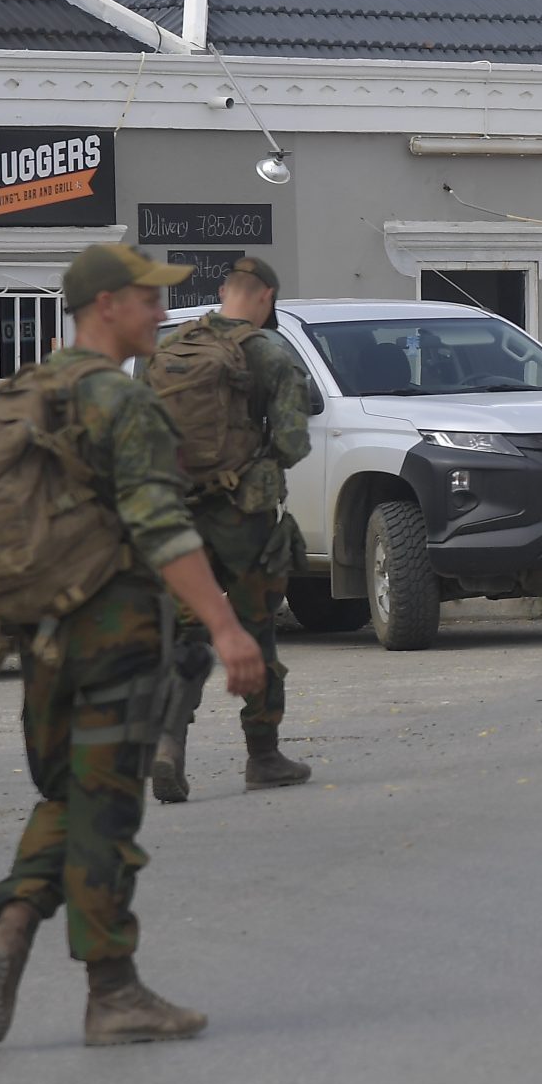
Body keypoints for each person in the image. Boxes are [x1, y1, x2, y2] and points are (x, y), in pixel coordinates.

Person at [0, 244, 266, 1047]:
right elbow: (162, 527)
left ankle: (14, 926)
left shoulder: (33, 390)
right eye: (144, 299)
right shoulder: (120, 406)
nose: (161, 313)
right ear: (104, 306)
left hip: (42, 631)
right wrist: (227, 627)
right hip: (113, 632)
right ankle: (113, 990)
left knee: (70, 793)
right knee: (109, 807)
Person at [145, 256, 315, 804]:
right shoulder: (268, 351)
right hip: (244, 520)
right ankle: (263, 756)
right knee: (256, 631)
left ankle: (169, 745)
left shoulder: (170, 349)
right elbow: (293, 442)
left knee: (188, 631)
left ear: (225, 291)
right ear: (265, 297)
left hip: (177, 518)